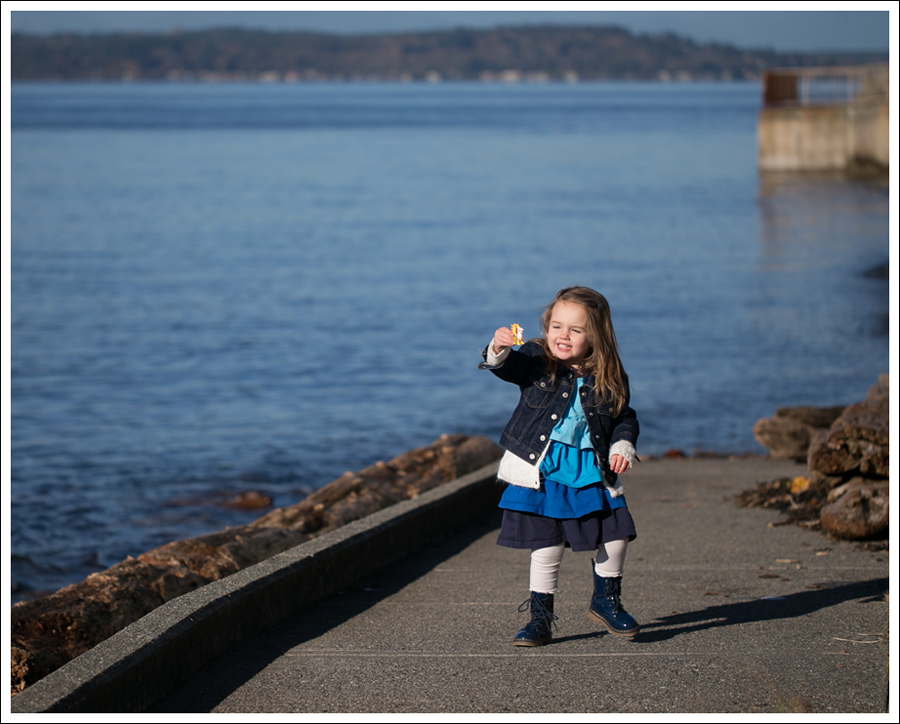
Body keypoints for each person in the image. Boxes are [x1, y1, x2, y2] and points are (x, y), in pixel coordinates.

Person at [478, 286, 640, 646]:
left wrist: (622, 444)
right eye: (556, 326)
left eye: (575, 330)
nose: (562, 336)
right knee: (546, 545)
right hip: (544, 469)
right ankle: (540, 618)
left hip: (592, 471)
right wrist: (500, 350)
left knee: (616, 535)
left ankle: (606, 600)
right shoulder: (536, 358)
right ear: (546, 327)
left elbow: (624, 417)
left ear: (595, 336)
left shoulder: (608, 375)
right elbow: (508, 368)